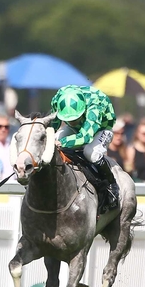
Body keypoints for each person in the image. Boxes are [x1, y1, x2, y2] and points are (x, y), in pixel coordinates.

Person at [50, 85, 120, 213]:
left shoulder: (94, 106)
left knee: (90, 153)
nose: (72, 122)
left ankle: (111, 184)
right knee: (53, 139)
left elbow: (85, 137)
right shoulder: (57, 100)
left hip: (101, 129)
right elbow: (53, 125)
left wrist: (62, 142)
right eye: (68, 120)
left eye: (75, 119)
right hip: (80, 131)